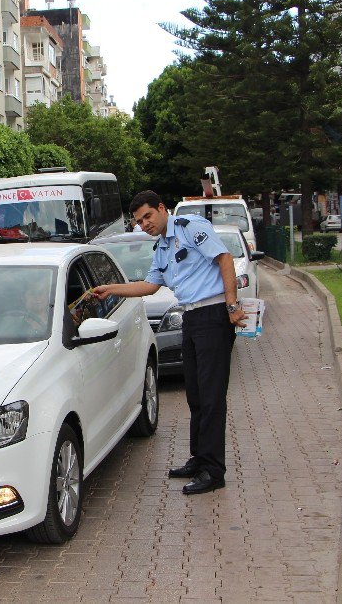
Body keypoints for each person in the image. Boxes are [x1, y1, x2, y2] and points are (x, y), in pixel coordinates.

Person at [92, 190, 247, 496]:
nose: (144, 224)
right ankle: (199, 458)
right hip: (191, 318)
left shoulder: (191, 227)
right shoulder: (162, 246)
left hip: (213, 315)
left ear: (162, 208)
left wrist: (232, 305)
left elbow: (224, 258)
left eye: (148, 216)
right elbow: (149, 285)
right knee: (196, 395)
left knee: (212, 397)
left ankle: (213, 471)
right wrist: (111, 289)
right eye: (138, 221)